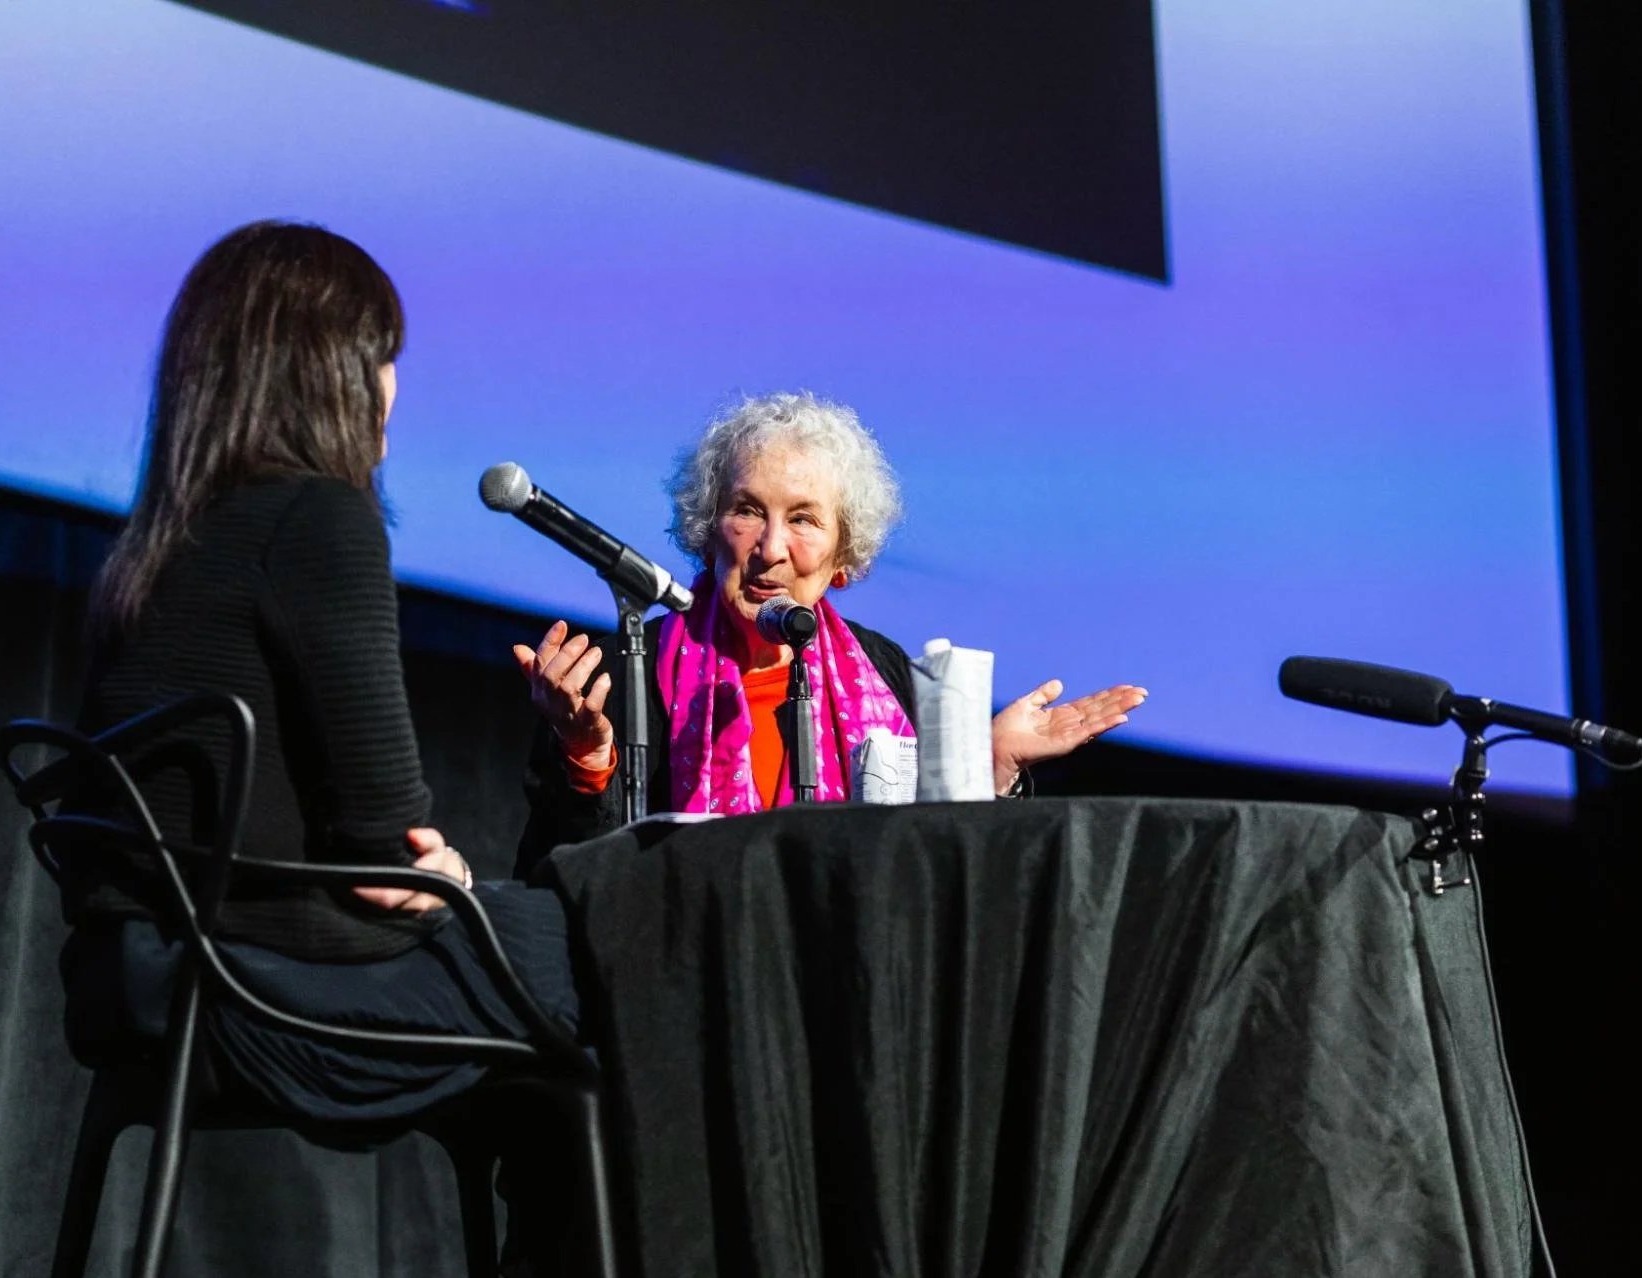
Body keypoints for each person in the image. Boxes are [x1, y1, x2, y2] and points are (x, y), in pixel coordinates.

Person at [61, 220, 578, 1125]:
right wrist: (448, 878)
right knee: (601, 947)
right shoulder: (319, 519)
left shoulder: (160, 540)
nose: (393, 386)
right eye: (382, 357)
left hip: (123, 976)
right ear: (328, 372)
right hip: (246, 991)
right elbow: (387, 854)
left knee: (546, 946)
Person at [514, 391, 1147, 875]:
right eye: (747, 511)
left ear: (843, 557)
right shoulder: (626, 673)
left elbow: (949, 886)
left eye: (803, 520)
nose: (771, 548)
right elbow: (555, 887)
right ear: (708, 528)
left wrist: (987, 770)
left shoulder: (889, 677)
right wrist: (586, 761)